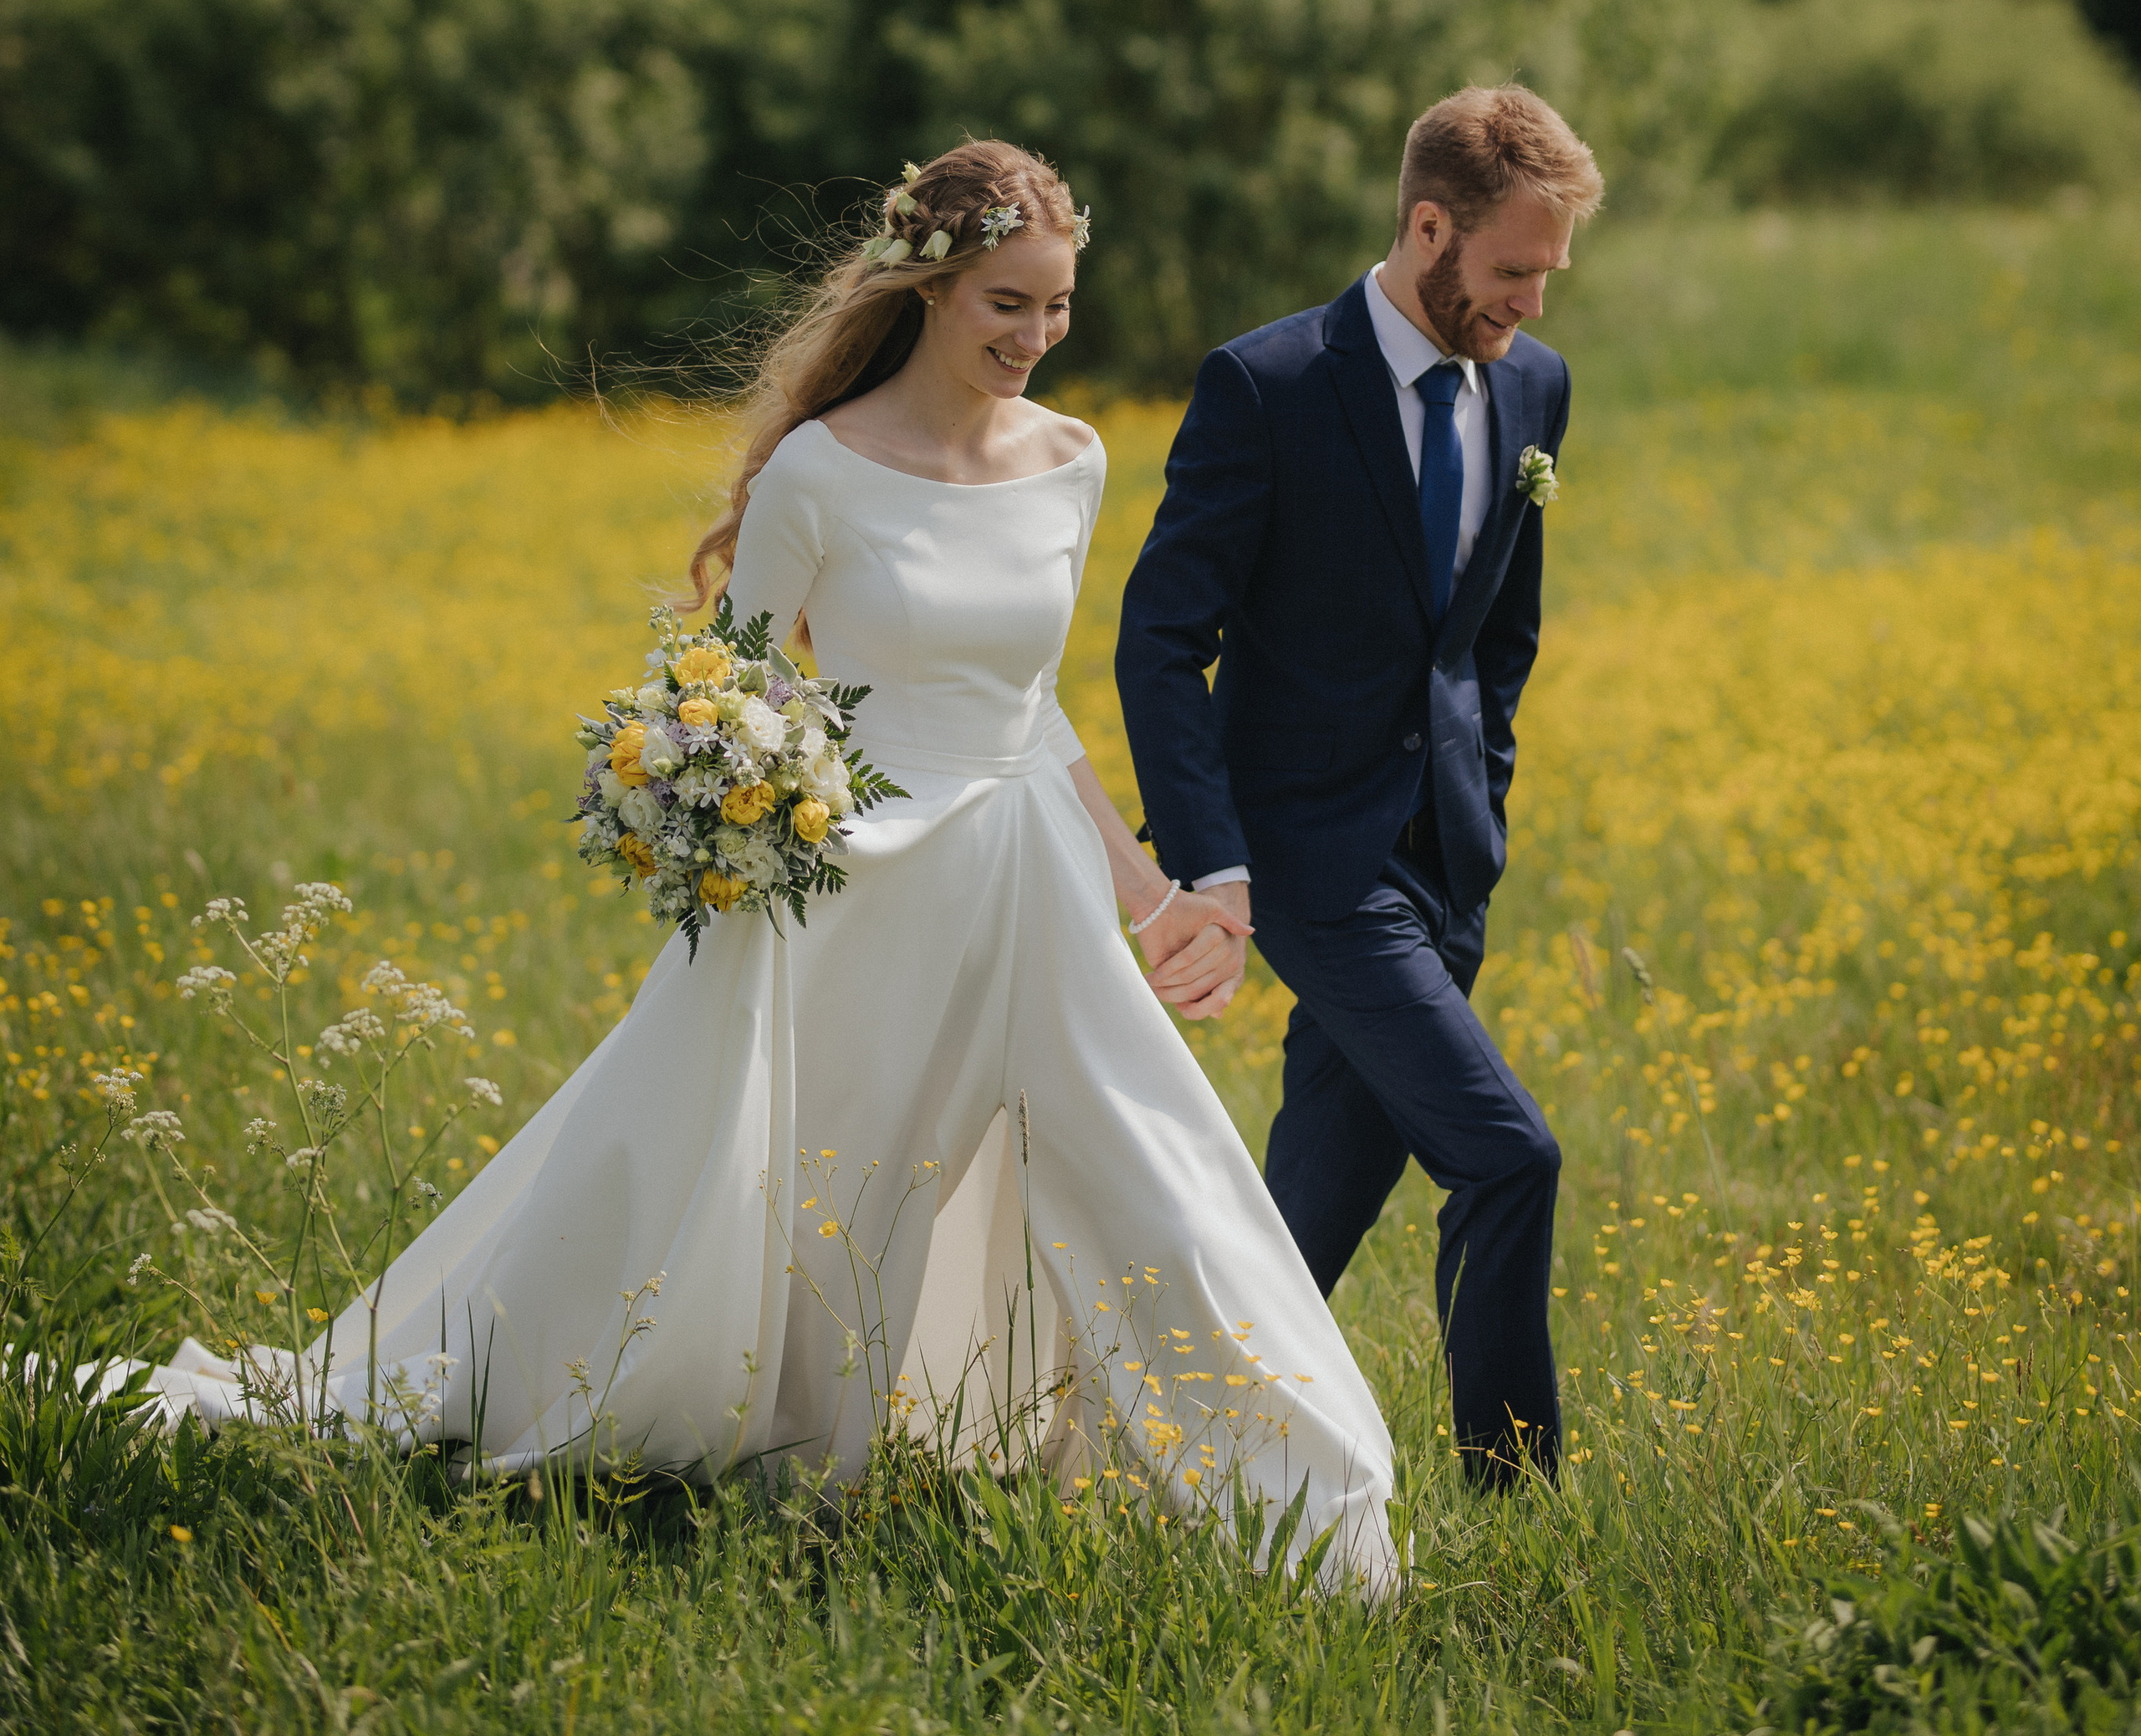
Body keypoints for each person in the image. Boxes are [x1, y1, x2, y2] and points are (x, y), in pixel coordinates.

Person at [142, 143, 1395, 1584]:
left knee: (1152, 1159)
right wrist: (739, 813)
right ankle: (796, 1442)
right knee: (833, 1182)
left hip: (1032, 875)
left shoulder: (1072, 461)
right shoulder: (822, 471)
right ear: (929, 285)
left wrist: (1150, 889)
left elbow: (1034, 711)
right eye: (1007, 302)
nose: (1035, 338)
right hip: (860, 887)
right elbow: (726, 693)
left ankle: (1304, 1498)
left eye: (1057, 309)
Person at [1114, 85, 1602, 1483]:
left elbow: (1500, 633)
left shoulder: (1535, 388)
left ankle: (1174, 1460)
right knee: (1511, 1160)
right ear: (1428, 226)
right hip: (1310, 869)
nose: (1528, 303)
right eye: (1510, 271)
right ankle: (1516, 1502)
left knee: (1303, 1222)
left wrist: (1484, 808)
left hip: (1448, 866)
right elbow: (1162, 639)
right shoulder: (1266, 386)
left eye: (1548, 276)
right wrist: (1213, 862)